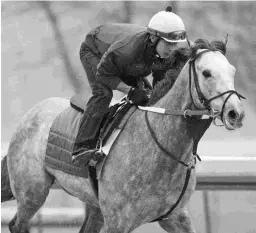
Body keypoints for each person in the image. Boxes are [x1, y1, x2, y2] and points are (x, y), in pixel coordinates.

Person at [72, 6, 188, 165]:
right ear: (154, 38)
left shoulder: (165, 53)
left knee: (147, 95)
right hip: (94, 52)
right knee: (103, 94)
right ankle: (81, 148)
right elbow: (103, 74)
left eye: (175, 44)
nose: (172, 48)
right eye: (169, 43)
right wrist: (130, 91)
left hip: (123, 61)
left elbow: (158, 88)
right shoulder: (128, 51)